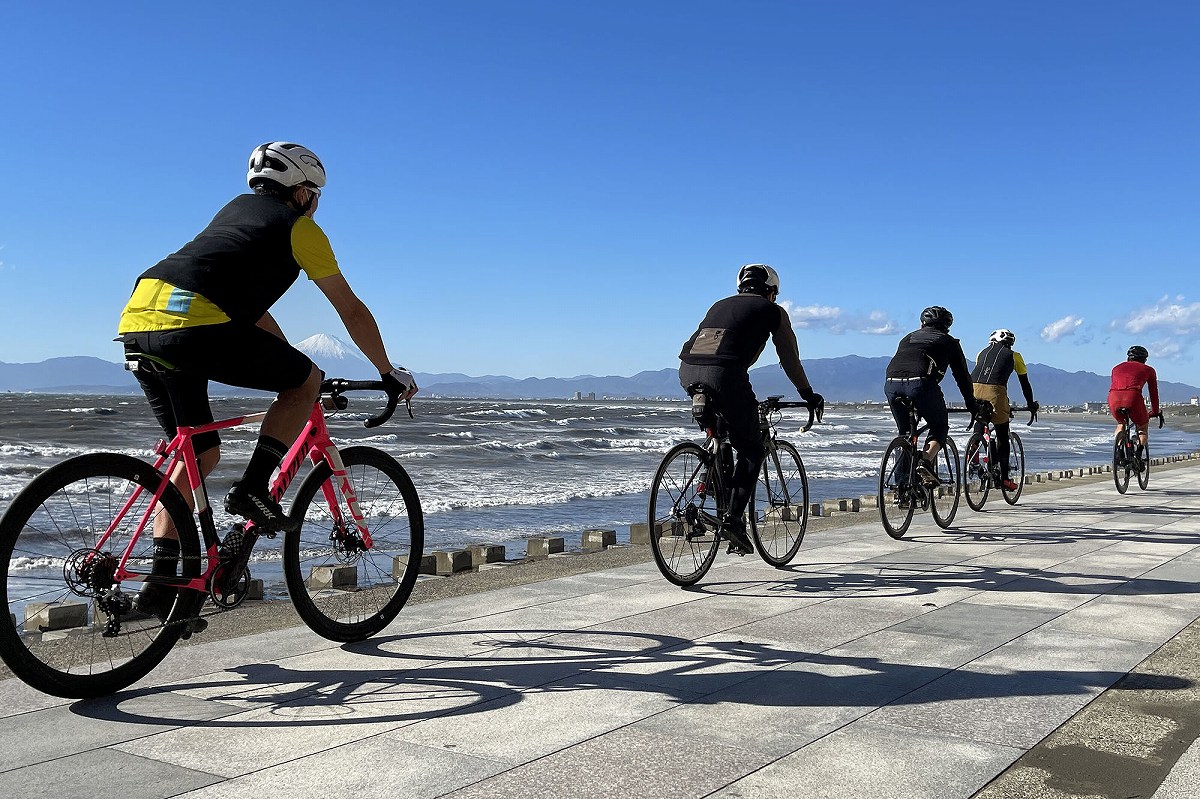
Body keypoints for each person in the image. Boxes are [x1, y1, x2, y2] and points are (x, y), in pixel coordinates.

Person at [117, 141, 417, 620]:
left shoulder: (235, 214)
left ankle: (160, 586)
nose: (317, 203)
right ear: (301, 193)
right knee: (303, 382)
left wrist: (291, 358)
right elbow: (350, 308)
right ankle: (254, 486)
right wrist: (387, 370)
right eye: (316, 194)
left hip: (140, 317)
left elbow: (248, 309)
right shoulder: (301, 229)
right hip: (195, 323)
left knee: (197, 453)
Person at [678, 264, 824, 555]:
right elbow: (789, 359)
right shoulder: (773, 311)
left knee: (720, 438)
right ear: (771, 292)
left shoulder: (720, 304)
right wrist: (808, 394)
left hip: (688, 371)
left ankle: (715, 501)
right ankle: (732, 520)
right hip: (725, 375)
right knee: (753, 449)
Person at [884, 306, 978, 485]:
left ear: (922, 324)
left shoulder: (907, 338)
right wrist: (971, 404)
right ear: (947, 327)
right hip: (921, 384)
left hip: (891, 383)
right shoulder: (949, 342)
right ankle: (925, 461)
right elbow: (962, 377)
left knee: (904, 433)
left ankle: (902, 487)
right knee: (939, 426)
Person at [970, 328, 1039, 491]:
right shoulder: (1014, 356)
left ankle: (973, 459)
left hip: (972, 389)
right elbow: (1024, 383)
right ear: (1010, 343)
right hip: (995, 391)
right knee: (1002, 432)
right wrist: (1031, 404)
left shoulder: (982, 352)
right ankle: (1004, 479)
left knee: (980, 424)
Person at [1108, 345, 1160, 463]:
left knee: (1121, 423)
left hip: (1113, 398)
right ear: (1144, 359)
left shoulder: (1115, 368)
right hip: (1133, 398)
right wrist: (1155, 411)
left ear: (1128, 358)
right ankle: (1138, 453)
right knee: (1142, 426)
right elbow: (1153, 392)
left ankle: (1119, 451)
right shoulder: (1149, 370)